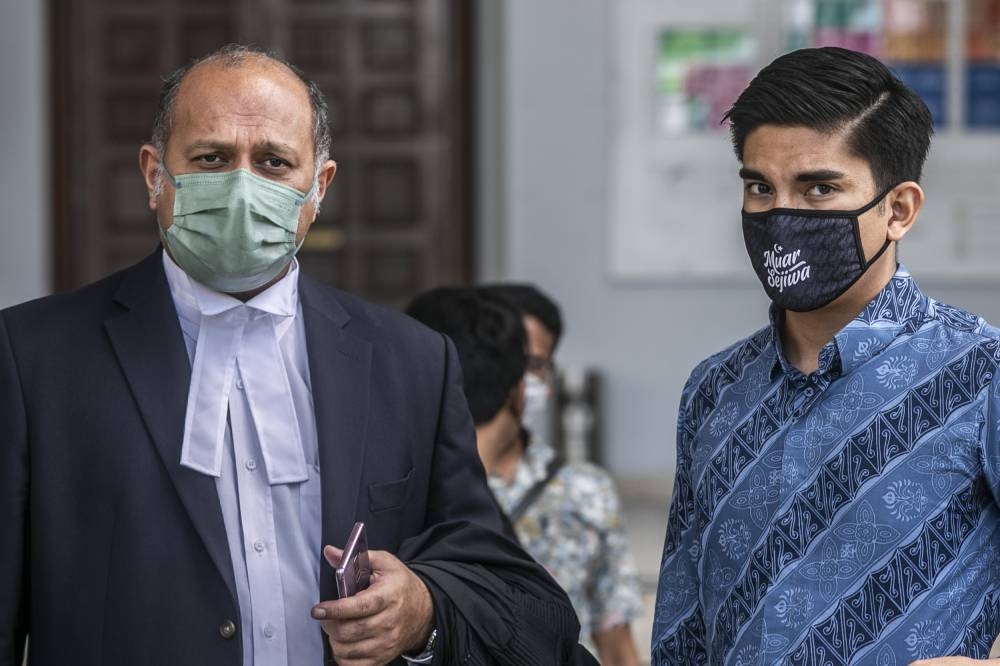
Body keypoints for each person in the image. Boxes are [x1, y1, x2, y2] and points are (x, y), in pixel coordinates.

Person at [0, 44, 583, 666]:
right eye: (212, 158)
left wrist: (422, 608)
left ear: (319, 186)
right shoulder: (34, 358)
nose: (242, 186)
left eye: (274, 162)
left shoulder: (410, 361)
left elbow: (503, 585)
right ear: (153, 174)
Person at [652, 46, 1000, 665]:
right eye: (761, 187)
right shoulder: (714, 389)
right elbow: (683, 624)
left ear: (898, 210)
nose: (781, 214)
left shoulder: (983, 375)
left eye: (819, 189)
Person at [418, 285, 644, 665]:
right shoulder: (419, 485)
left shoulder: (585, 491)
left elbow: (616, 638)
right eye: (516, 362)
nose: (525, 378)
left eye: (537, 364)